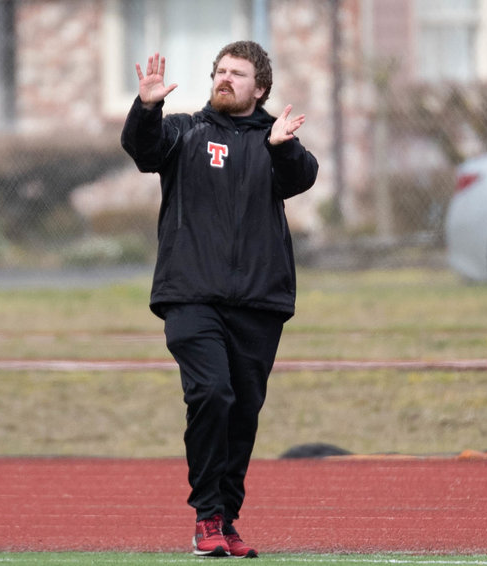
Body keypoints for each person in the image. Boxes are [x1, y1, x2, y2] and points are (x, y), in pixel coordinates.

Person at [121, 41, 318, 558]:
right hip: (191, 295)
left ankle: (225, 519)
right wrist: (147, 108)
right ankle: (206, 515)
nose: (225, 79)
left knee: (243, 413)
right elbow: (143, 151)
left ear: (261, 88)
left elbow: (301, 178)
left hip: (259, 302)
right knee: (212, 393)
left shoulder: (274, 140)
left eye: (238, 73)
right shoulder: (184, 132)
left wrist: (282, 146)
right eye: (220, 71)